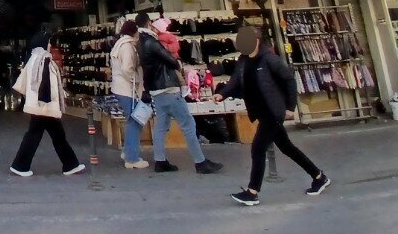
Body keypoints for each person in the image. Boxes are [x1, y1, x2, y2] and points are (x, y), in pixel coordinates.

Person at [215, 26, 330, 206]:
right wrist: (222, 93)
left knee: (258, 149)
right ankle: (319, 177)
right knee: (287, 147)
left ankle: (252, 193)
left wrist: (290, 107)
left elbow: (289, 80)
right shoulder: (243, 61)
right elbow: (235, 81)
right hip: (261, 112)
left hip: (273, 111)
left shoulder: (269, 59)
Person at [135, 12, 222, 174]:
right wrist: (177, 63)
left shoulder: (139, 43)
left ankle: (160, 160)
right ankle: (200, 162)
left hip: (156, 90)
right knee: (188, 124)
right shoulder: (151, 41)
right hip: (169, 88)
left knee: (161, 125)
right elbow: (170, 59)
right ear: (148, 23)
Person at [9, 31, 85, 178]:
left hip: (41, 105)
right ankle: (21, 165)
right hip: (44, 106)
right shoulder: (43, 59)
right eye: (49, 42)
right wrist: (46, 102)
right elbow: (45, 84)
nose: (50, 44)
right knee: (41, 136)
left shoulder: (34, 58)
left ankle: (70, 164)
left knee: (51, 135)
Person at [110, 19, 148, 169]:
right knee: (135, 121)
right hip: (127, 89)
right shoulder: (127, 47)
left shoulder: (120, 44)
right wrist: (136, 80)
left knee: (134, 120)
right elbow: (127, 68)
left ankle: (128, 151)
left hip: (122, 88)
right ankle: (132, 158)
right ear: (134, 31)